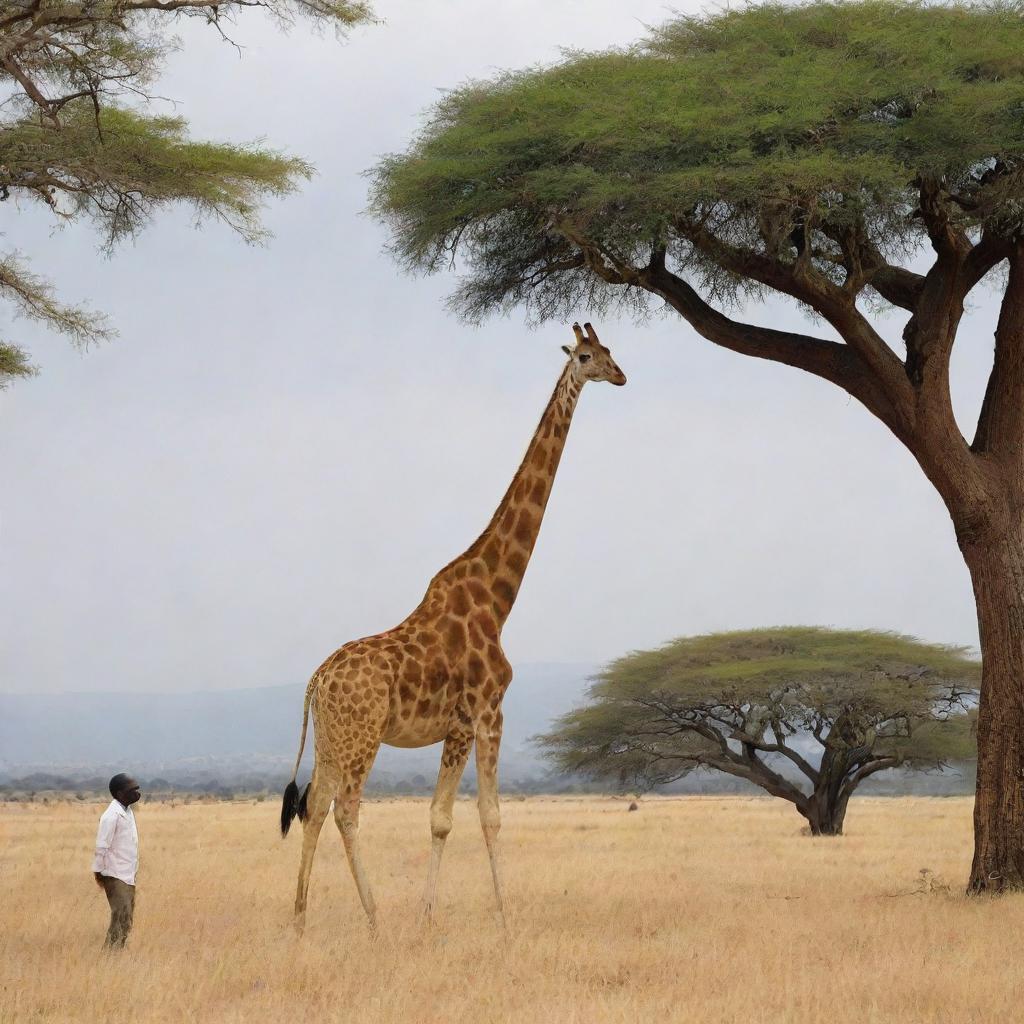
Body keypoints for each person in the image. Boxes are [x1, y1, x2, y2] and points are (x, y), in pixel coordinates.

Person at [92, 773, 141, 949]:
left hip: (127, 873)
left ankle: (118, 951)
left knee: (127, 917)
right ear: (120, 794)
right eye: (132, 790)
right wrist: (98, 873)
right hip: (114, 873)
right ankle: (110, 955)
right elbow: (101, 846)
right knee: (120, 915)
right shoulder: (111, 816)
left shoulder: (127, 812)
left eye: (137, 789)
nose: (137, 793)